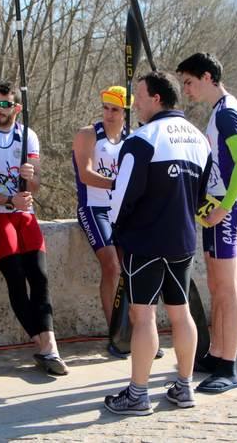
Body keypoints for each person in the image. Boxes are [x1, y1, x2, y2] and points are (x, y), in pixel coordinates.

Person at [103, 70, 212, 415]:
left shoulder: (141, 139)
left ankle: (138, 394)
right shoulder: (199, 138)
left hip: (145, 241)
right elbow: (206, 193)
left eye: (139, 96)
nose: (134, 104)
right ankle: (184, 386)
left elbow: (120, 198)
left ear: (157, 98)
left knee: (144, 315)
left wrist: (117, 232)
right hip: (183, 239)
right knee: (181, 314)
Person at [0, 81, 68, 375]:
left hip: (24, 213)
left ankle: (49, 347)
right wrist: (9, 200)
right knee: (16, 276)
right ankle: (46, 346)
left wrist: (30, 177)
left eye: (4, 104)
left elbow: (34, 185)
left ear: (16, 108)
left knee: (40, 276)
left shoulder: (28, 137)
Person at [176, 53, 237, 394]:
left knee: (225, 287)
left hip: (224, 207)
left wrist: (223, 206)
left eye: (189, 82)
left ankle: (229, 365)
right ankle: (218, 353)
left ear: (208, 77)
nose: (187, 90)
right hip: (217, 206)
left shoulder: (228, 113)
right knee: (218, 287)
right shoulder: (221, 111)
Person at [71, 86, 129, 356]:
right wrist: (120, 184)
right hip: (94, 208)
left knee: (132, 268)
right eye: (105, 108)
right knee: (112, 266)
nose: (108, 114)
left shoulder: (132, 138)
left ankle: (137, 332)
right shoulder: (89, 134)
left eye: (114, 109)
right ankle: (115, 332)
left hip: (121, 210)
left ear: (125, 112)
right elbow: (86, 174)